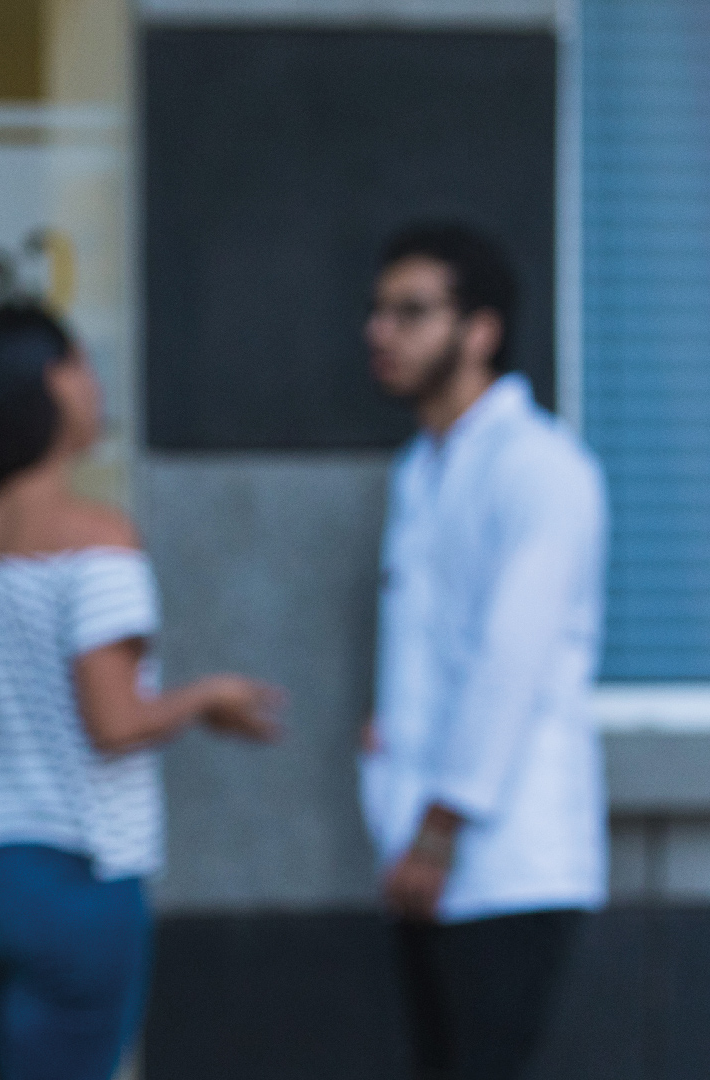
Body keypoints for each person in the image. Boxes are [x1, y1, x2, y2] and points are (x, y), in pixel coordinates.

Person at [0, 305, 282, 1080]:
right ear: (51, 387)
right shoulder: (99, 539)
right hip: (75, 878)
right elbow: (116, 722)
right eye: (83, 364)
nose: (96, 384)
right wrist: (209, 697)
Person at [360, 222, 606, 1080]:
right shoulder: (420, 469)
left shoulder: (541, 468)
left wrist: (438, 832)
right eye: (380, 311)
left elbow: (511, 661)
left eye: (412, 312)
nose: (381, 333)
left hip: (505, 860)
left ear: (481, 331)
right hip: (422, 846)